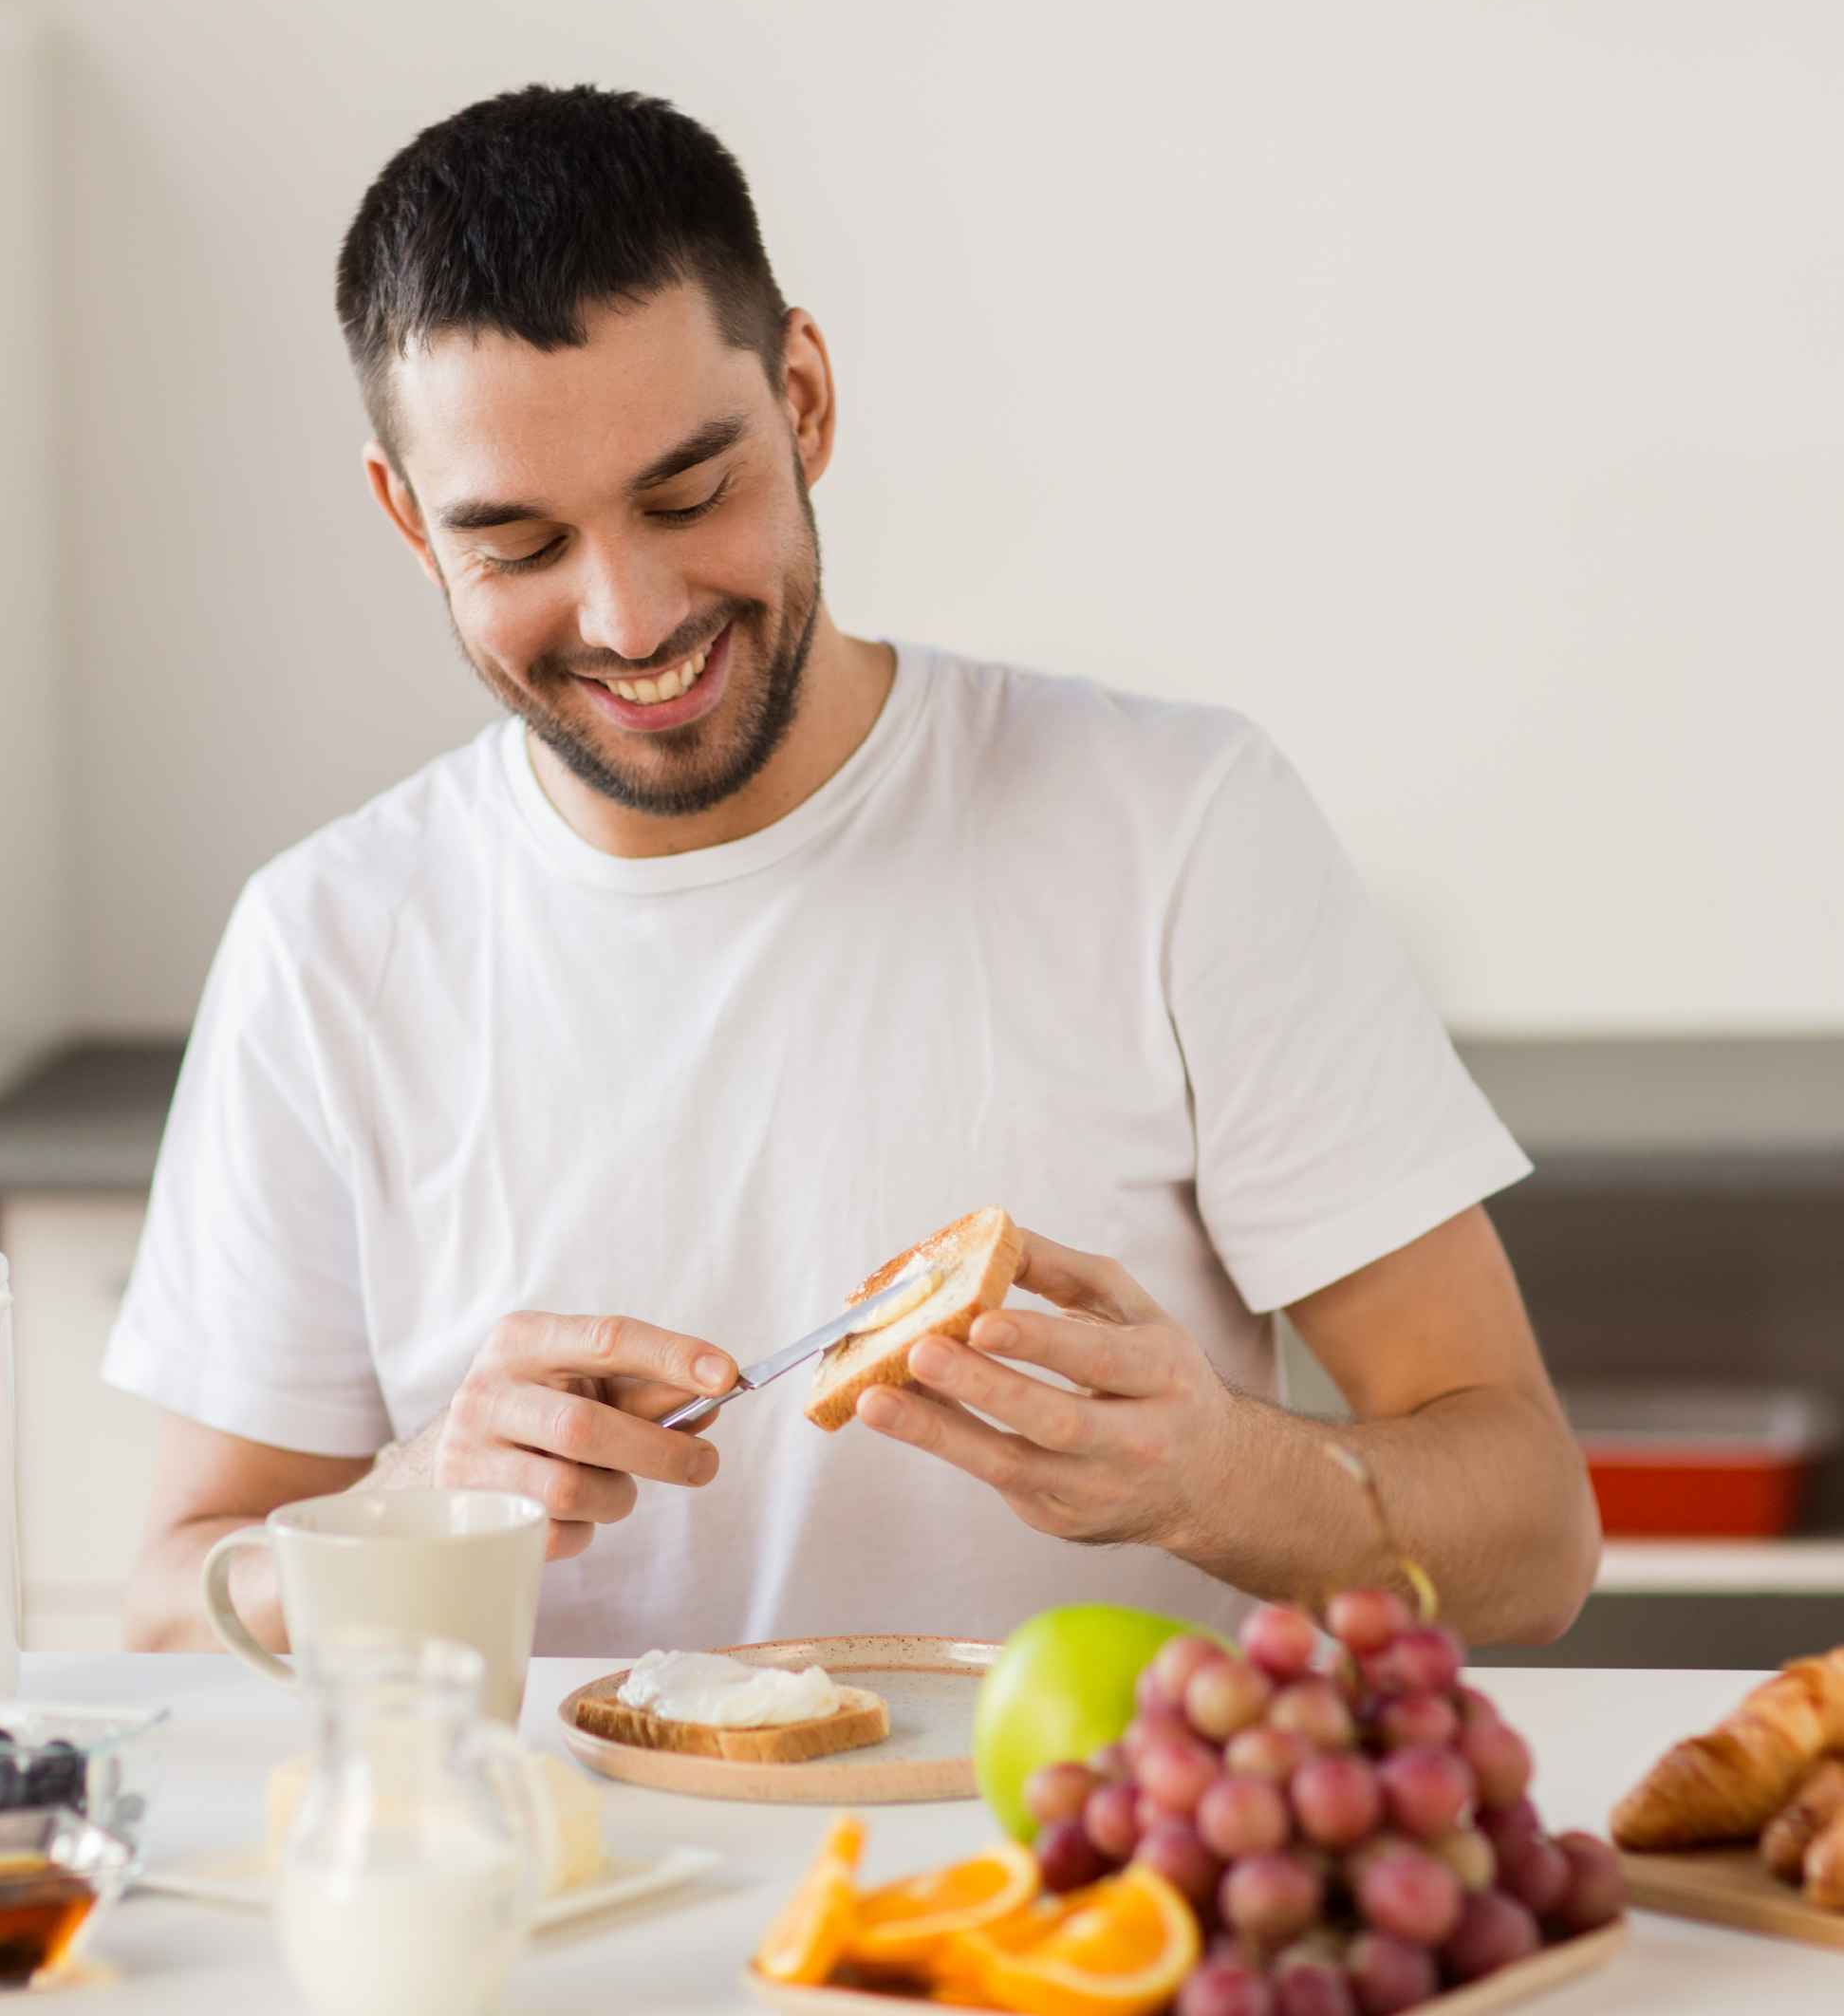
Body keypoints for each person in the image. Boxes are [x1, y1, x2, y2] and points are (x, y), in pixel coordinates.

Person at [105, 84, 1598, 1660]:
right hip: (573, 1895)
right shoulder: (329, 942)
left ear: (804, 398)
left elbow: (1533, 1540)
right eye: (521, 547)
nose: (629, 618)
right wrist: (404, 1517)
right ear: (409, 520)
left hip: (1088, 1889)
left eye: (690, 495)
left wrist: (1214, 1473)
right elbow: (162, 1606)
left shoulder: (1176, 826)